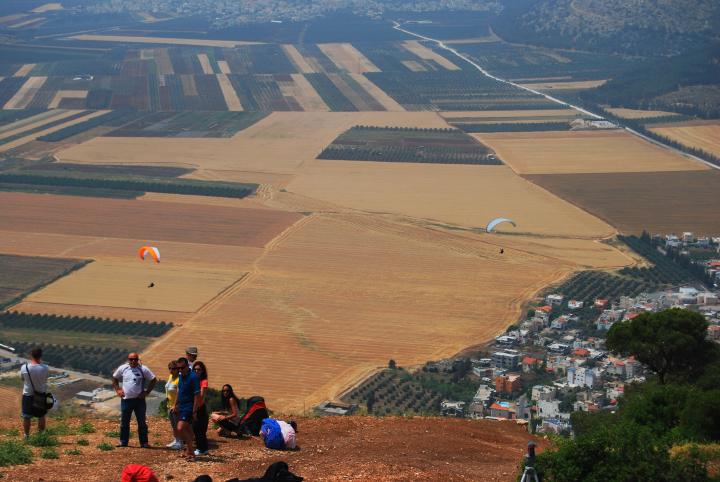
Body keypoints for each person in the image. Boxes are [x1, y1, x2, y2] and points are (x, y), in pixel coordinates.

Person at [111, 352, 156, 448]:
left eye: (135, 359)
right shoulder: (123, 368)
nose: (133, 361)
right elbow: (114, 378)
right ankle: (123, 442)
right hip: (126, 400)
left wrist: (147, 392)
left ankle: (144, 443)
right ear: (128, 360)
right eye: (131, 359)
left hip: (139, 401)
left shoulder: (143, 369)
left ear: (138, 359)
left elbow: (153, 379)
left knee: (142, 422)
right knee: (124, 422)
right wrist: (118, 389)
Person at [172, 356, 200, 460]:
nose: (180, 370)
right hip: (182, 406)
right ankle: (189, 451)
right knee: (188, 429)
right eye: (178, 368)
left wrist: (194, 410)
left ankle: (191, 452)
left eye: (182, 367)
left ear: (187, 366)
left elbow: (197, 395)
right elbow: (179, 391)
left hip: (189, 406)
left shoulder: (193, 377)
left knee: (180, 428)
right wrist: (175, 404)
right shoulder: (181, 376)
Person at [20, 347, 49, 440]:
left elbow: (22, 379)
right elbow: (45, 379)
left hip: (28, 395)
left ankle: (26, 436)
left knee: (26, 417)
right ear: (40, 356)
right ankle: (41, 435)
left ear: (31, 355)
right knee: (41, 416)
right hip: (41, 394)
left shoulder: (24, 367)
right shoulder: (45, 368)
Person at [191, 361, 210, 456]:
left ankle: (201, 449)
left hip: (200, 408)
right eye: (195, 369)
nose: (196, 371)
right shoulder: (194, 380)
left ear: (202, 371)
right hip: (195, 406)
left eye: (198, 369)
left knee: (199, 429)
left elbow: (201, 396)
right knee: (196, 428)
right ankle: (203, 448)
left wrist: (195, 407)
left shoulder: (203, 381)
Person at [165, 361, 182, 449]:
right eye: (170, 368)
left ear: (178, 369)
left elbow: (180, 393)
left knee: (177, 424)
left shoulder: (179, 379)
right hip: (169, 404)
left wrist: (176, 405)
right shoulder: (171, 377)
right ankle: (176, 440)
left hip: (176, 406)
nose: (171, 370)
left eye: (173, 368)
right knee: (173, 425)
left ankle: (180, 442)